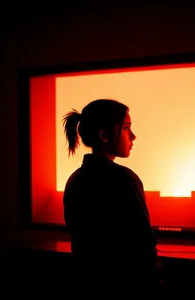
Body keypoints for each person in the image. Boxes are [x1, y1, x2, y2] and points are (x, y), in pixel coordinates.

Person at [62, 99, 163, 289]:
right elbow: (144, 245)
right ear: (104, 135)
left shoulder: (74, 179)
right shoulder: (125, 180)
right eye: (126, 128)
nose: (133, 136)